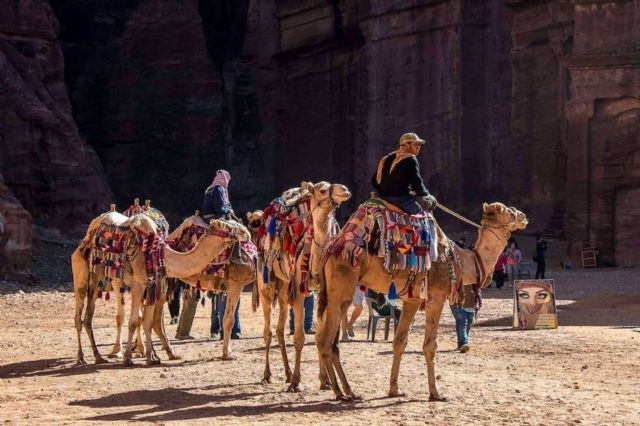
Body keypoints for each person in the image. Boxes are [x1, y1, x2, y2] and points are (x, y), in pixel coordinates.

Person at [371, 132, 437, 214]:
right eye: (415, 144)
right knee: (431, 201)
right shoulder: (410, 159)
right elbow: (417, 183)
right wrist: (426, 195)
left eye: (419, 145)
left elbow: (374, 180)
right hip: (401, 200)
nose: (418, 147)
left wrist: (384, 191)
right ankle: (427, 226)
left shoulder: (385, 159)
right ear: (406, 145)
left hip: (383, 197)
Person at [449, 284, 481, 353]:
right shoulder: (455, 274)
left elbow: (485, 282)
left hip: (471, 305)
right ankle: (463, 343)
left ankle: (461, 344)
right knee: (462, 323)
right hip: (457, 303)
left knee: (467, 325)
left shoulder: (476, 275)